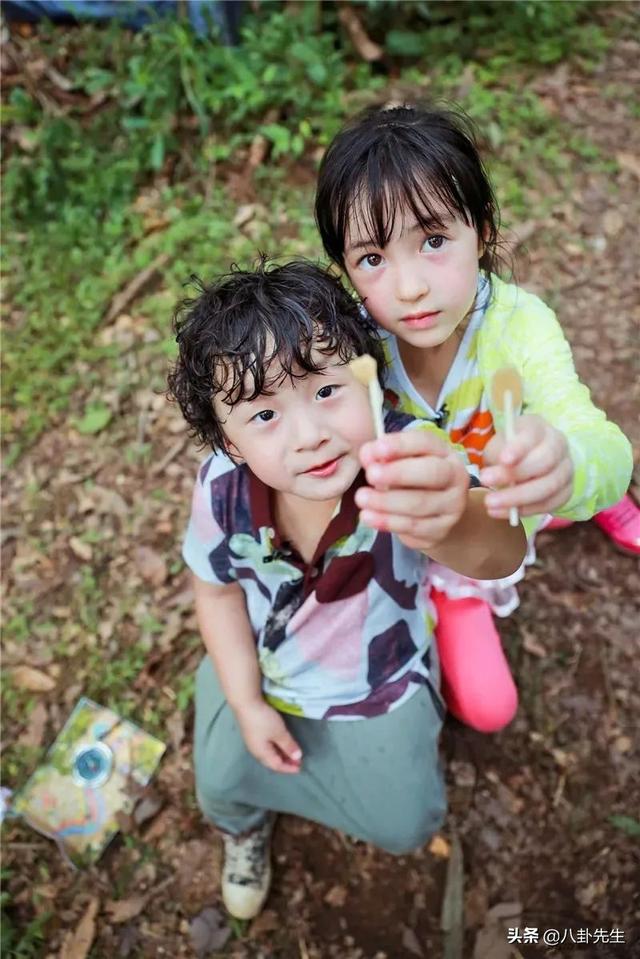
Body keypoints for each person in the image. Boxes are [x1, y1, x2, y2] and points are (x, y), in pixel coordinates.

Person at [167, 259, 527, 919]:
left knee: (408, 824)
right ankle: (244, 825)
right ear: (229, 440)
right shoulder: (219, 487)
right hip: (268, 665)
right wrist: (246, 701)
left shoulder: (411, 458)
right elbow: (215, 591)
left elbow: (502, 552)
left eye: (328, 390)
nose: (311, 436)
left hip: (378, 677)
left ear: (369, 375)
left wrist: (451, 517)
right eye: (264, 413)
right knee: (219, 779)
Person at [314, 102, 634, 733]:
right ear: (346, 269)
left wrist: (573, 466)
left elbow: (603, 444)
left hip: (506, 501)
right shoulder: (351, 345)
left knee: (559, 469)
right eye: (372, 259)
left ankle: (580, 505)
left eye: (434, 241)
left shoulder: (519, 325)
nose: (408, 288)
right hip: (443, 536)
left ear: (482, 230)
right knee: (489, 709)